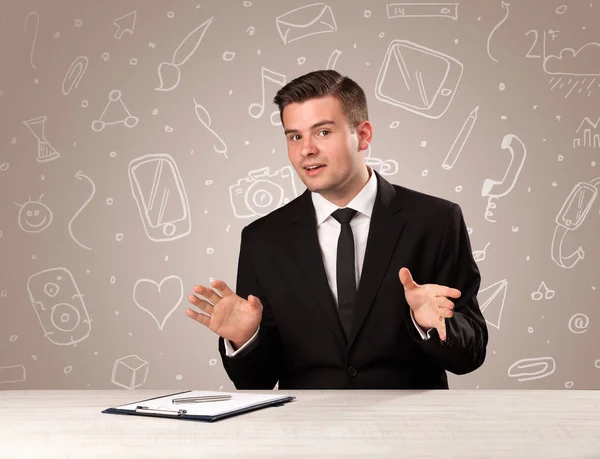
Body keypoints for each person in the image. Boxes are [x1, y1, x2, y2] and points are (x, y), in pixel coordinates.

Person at [186, 70, 488, 390]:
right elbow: (256, 381)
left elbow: (471, 355)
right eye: (295, 136)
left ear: (364, 135)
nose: (306, 150)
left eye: (323, 132)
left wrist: (434, 324)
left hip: (409, 430)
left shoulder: (436, 221)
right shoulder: (262, 239)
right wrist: (246, 338)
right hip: (305, 430)